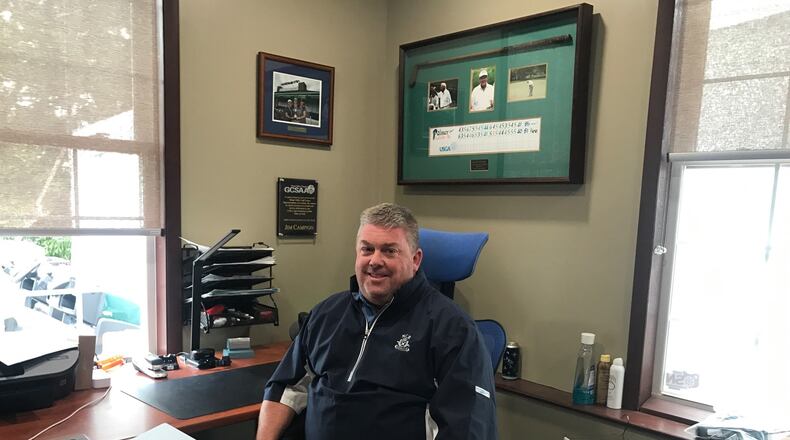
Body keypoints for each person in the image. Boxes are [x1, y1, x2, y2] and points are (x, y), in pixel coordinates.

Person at [256, 203, 497, 440]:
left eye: (389, 250)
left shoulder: (454, 330)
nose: (375, 261)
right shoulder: (327, 313)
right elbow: (285, 388)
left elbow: (466, 428)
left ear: (415, 260)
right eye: (367, 249)